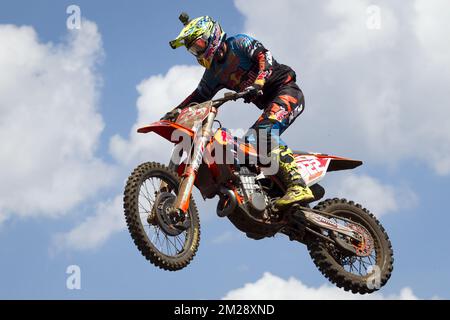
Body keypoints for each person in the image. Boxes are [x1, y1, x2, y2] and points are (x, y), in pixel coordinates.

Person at [163, 14, 314, 208]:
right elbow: (198, 96)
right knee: (248, 146)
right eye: (193, 49)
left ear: (211, 35)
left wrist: (259, 81)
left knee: (261, 135)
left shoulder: (239, 43)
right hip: (269, 104)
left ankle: (297, 185)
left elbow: (264, 57)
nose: (197, 51)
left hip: (287, 91)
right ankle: (269, 191)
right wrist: (174, 113)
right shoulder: (214, 73)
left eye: (198, 44)